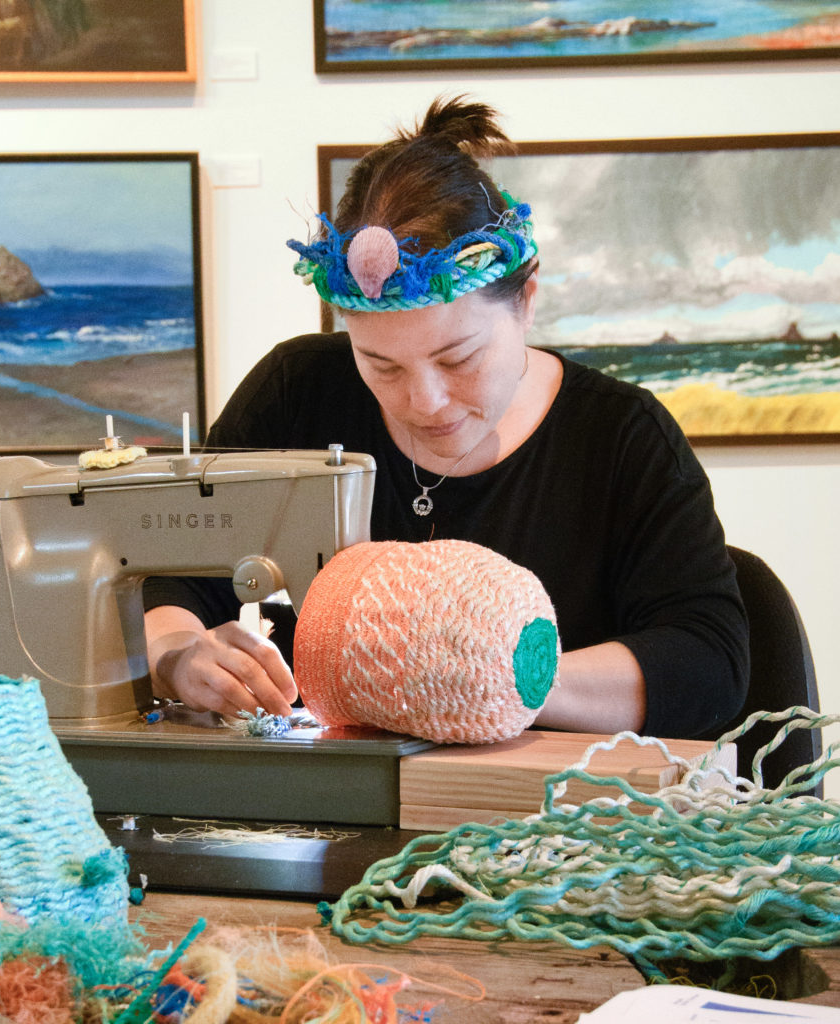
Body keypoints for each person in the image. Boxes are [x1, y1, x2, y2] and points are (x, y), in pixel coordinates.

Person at [143, 95, 749, 741]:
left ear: (526, 304)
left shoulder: (620, 436)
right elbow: (176, 576)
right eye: (381, 365)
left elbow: (705, 664)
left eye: (458, 358)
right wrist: (182, 659)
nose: (423, 401)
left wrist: (497, 683)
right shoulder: (297, 390)